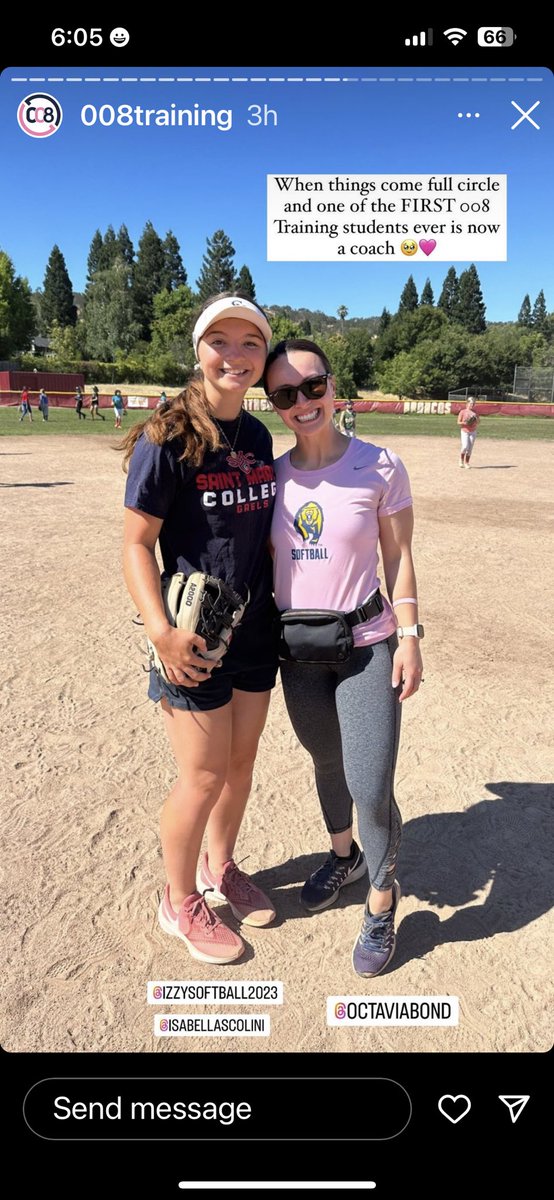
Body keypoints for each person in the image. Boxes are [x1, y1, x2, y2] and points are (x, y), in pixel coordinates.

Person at [121, 294, 279, 965]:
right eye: (221, 340)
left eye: (251, 343)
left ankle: (221, 867)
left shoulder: (260, 436)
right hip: (192, 634)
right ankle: (177, 897)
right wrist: (159, 630)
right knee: (202, 776)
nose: (236, 355)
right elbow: (134, 544)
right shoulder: (168, 438)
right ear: (198, 350)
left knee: (239, 767)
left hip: (255, 627)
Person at [264, 338, 424, 978]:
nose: (302, 402)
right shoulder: (270, 476)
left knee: (369, 780)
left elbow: (400, 557)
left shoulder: (380, 466)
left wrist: (410, 635)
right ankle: (344, 856)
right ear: (274, 403)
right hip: (298, 653)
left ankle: (381, 901)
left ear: (332, 386)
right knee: (325, 761)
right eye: (284, 393)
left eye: (312, 386)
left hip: (365, 646)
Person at [457, 395, 480, 468]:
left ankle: (467, 463)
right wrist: (465, 423)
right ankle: (461, 460)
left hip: (473, 431)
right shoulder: (463, 412)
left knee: (470, 448)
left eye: (473, 404)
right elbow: (458, 422)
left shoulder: (475, 412)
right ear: (467, 404)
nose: (472, 405)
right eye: (470, 403)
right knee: (465, 446)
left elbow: (479, 422)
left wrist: (476, 419)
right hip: (465, 431)